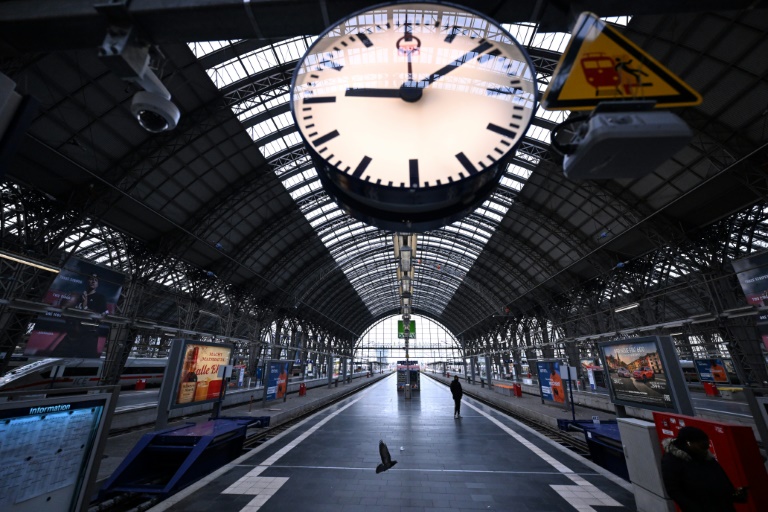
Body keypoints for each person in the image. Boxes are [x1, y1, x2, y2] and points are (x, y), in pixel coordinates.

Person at [661, 426, 748, 512]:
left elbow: (721, 477)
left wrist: (733, 493)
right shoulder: (671, 460)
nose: (706, 449)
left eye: (707, 445)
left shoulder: (705, 455)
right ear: (688, 443)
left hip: (722, 506)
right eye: (702, 446)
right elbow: (674, 490)